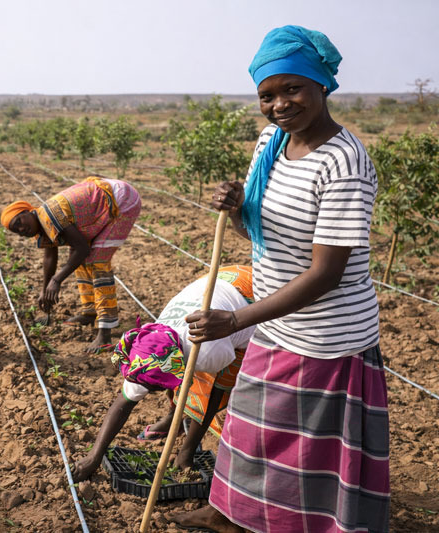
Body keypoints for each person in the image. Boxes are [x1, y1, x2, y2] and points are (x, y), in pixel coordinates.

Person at [172, 26, 389, 533]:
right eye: (267, 95)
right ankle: (231, 511)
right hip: (278, 318)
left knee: (306, 450)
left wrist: (236, 319)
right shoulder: (272, 141)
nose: (279, 104)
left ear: (321, 86)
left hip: (327, 336)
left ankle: (299, 522)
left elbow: (326, 273)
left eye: (292, 89)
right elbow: (260, 224)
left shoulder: (344, 162)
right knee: (250, 427)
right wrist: (237, 206)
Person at [71, 265, 255, 482]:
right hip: (219, 280)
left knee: (213, 383)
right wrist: (94, 456)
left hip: (250, 295)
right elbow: (123, 402)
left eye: (155, 388)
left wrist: (188, 451)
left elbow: (214, 393)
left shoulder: (210, 351)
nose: (150, 393)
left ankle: (186, 448)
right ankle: (173, 420)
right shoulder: (149, 350)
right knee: (187, 379)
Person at [0, 176, 141, 352]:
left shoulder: (51, 215)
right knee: (78, 259)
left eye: (19, 222)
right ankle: (90, 312)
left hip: (123, 200)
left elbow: (82, 248)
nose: (21, 229)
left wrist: (57, 280)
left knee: (97, 261)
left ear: (28, 211)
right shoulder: (42, 225)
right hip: (106, 199)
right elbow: (50, 258)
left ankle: (105, 332)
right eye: (17, 231)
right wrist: (45, 291)